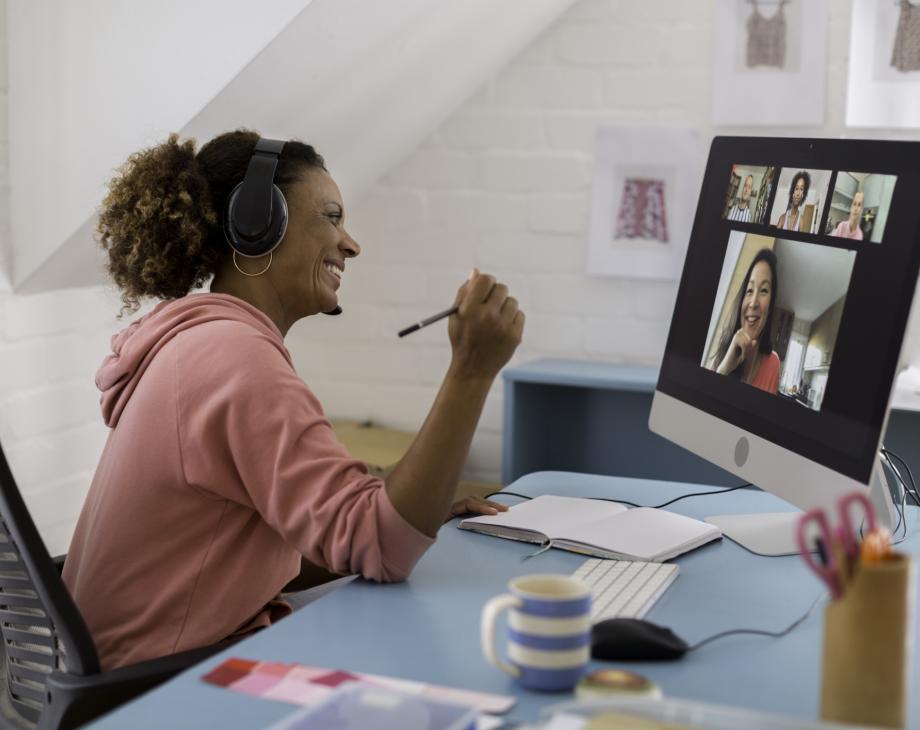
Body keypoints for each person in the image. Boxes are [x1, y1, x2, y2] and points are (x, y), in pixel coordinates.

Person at [62, 130, 525, 671]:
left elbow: (261, 554)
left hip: (138, 669)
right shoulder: (233, 357)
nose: (350, 244)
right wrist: (472, 370)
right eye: (331, 216)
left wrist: (421, 510)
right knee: (447, 665)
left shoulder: (202, 344)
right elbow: (381, 546)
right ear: (257, 226)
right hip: (159, 690)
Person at [709, 248, 781, 394]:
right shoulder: (721, 356)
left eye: (764, 291)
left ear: (771, 305)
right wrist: (723, 370)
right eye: (749, 290)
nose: (753, 303)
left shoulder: (773, 364)